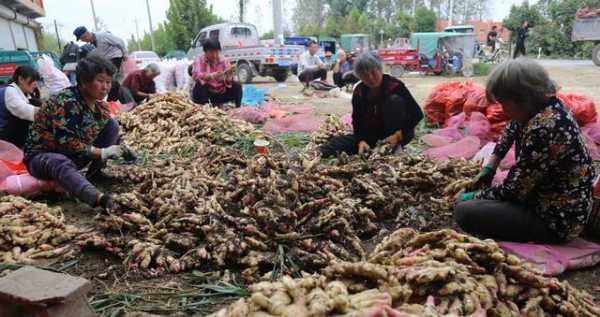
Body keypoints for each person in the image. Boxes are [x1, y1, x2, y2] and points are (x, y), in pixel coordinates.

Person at [454, 58, 595, 244]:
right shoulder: (539, 108)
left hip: (556, 218)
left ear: (523, 97)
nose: (503, 110)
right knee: (478, 201)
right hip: (541, 199)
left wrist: (474, 196)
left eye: (505, 103)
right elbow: (510, 131)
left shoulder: (545, 127)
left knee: (465, 211)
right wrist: (489, 167)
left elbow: (514, 191)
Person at [23, 56, 129, 210]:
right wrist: (103, 152)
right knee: (58, 161)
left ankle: (95, 173)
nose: (105, 86)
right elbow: (66, 144)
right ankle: (97, 198)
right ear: (84, 81)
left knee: (111, 125)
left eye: (108, 81)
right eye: (100, 80)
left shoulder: (100, 107)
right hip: (42, 158)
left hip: (74, 156)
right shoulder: (66, 102)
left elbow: (104, 136)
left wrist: (121, 149)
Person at [319, 52, 423, 157]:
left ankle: (395, 146)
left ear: (380, 69)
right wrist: (361, 140)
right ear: (359, 77)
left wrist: (397, 135)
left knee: (394, 101)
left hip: (398, 133)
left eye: (373, 72)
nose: (371, 78)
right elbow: (357, 119)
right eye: (365, 75)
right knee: (334, 145)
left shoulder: (395, 86)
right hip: (373, 135)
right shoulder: (359, 91)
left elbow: (417, 114)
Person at [191, 38, 242, 107]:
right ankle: (204, 109)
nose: (214, 55)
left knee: (237, 85)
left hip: (221, 93)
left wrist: (228, 78)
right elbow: (195, 75)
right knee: (199, 84)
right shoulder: (199, 60)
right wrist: (210, 76)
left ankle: (238, 108)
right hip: (206, 95)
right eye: (211, 52)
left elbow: (229, 81)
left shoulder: (224, 60)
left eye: (217, 52)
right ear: (205, 52)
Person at [0, 66, 42, 148]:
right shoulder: (10, 91)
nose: (35, 83)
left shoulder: (25, 93)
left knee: (35, 102)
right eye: (33, 80)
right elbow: (25, 111)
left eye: (36, 80)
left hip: (11, 135)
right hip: (3, 138)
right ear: (21, 79)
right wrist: (52, 111)